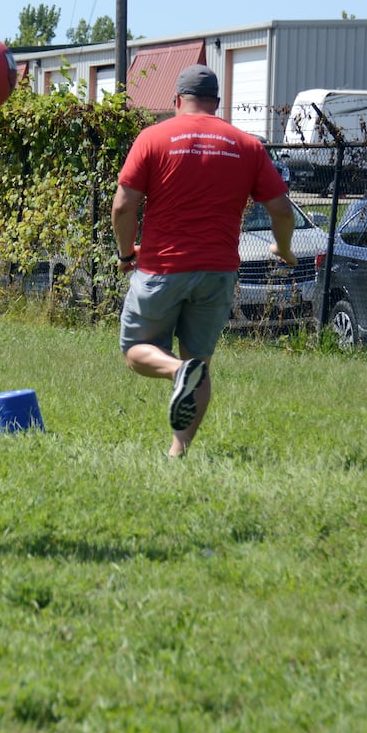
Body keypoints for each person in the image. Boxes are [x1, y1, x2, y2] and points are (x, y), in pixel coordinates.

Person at [111, 63, 296, 458]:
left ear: (177, 100)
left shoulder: (153, 138)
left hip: (163, 267)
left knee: (135, 351)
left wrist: (127, 253)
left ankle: (177, 372)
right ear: (216, 103)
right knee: (202, 363)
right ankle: (178, 452)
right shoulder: (245, 145)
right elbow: (281, 209)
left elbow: (124, 207)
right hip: (219, 271)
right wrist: (283, 247)